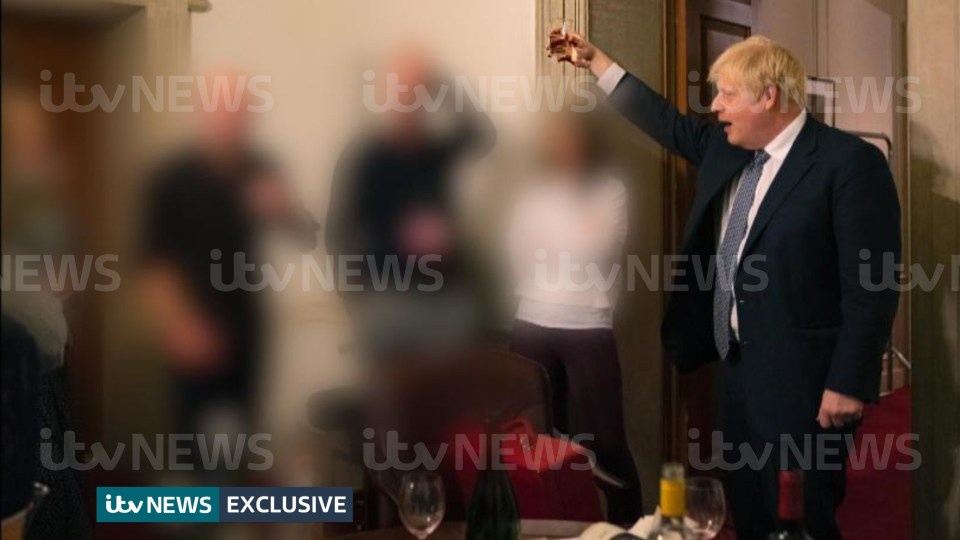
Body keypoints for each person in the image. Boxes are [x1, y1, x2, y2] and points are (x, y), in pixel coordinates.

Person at [549, 33, 901, 539]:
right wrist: (597, 61)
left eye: (727, 94)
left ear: (769, 97)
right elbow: (664, 122)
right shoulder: (727, 149)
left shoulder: (848, 164)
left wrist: (848, 382)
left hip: (804, 385)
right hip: (733, 374)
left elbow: (873, 286)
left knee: (802, 521)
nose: (715, 108)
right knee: (747, 514)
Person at [141, 70, 316, 445]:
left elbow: (307, 233)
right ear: (204, 113)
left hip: (247, 329)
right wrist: (180, 326)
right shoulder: (173, 177)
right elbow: (155, 263)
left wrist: (283, 207)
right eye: (222, 109)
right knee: (197, 450)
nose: (231, 119)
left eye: (239, 110)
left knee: (238, 444)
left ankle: (234, 501)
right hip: (194, 332)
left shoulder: (261, 166)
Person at [506, 108, 642, 524]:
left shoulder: (611, 191)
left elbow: (597, 250)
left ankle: (627, 528)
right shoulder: (532, 193)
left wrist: (552, 242)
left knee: (607, 441)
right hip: (530, 319)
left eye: (570, 136)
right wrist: (574, 236)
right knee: (532, 441)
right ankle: (549, 527)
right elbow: (515, 250)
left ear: (585, 142)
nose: (562, 145)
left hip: (588, 324)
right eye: (555, 137)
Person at [326, 49, 495, 363]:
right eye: (401, 89)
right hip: (386, 303)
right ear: (385, 94)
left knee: (448, 402)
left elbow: (482, 133)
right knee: (393, 407)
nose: (409, 99)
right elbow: (339, 231)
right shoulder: (365, 157)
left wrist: (442, 84)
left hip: (446, 302)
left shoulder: (435, 152)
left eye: (418, 90)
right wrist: (355, 301)